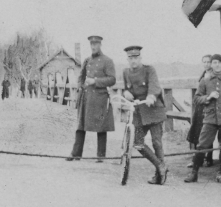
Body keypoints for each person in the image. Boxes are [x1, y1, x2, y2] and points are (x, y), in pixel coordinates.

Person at [184, 54, 221, 183]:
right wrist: (208, 97)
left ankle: (220, 174)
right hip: (210, 118)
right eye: (214, 62)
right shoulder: (205, 81)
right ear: (211, 65)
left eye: (219, 63)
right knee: (202, 145)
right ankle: (194, 173)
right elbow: (196, 99)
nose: (216, 65)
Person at [122, 46, 168, 185]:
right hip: (139, 112)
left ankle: (159, 176)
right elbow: (127, 88)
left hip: (153, 110)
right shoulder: (126, 72)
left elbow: (155, 86)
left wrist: (151, 96)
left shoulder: (149, 69)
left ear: (140, 58)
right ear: (128, 59)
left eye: (136, 58)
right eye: (131, 58)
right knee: (137, 142)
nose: (133, 61)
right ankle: (160, 166)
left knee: (156, 142)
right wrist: (126, 94)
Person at [66, 36, 116, 163]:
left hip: (100, 99)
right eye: (91, 44)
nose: (93, 47)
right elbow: (81, 77)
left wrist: (95, 81)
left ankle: (100, 155)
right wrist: (80, 87)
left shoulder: (107, 61)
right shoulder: (87, 60)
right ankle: (76, 153)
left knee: (101, 126)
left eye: (96, 44)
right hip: (86, 98)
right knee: (80, 125)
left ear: (100, 45)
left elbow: (112, 79)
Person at [186, 54, 214, 168]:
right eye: (204, 62)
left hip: (208, 106)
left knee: (208, 132)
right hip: (200, 107)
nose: (206, 64)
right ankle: (198, 159)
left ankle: (209, 158)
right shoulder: (203, 75)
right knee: (197, 131)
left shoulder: (213, 75)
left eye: (209, 62)